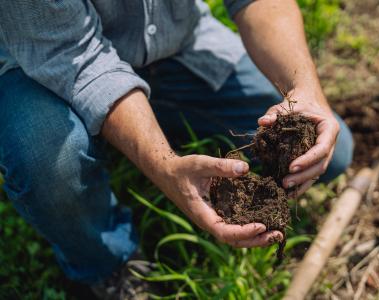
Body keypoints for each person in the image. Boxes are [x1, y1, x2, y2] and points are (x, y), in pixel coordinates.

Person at [0, 0, 353, 298]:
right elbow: (73, 55)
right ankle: (106, 263)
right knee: (46, 154)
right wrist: (163, 165)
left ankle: (151, 126)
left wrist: (304, 90)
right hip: (41, 62)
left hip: (174, 45)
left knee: (330, 155)